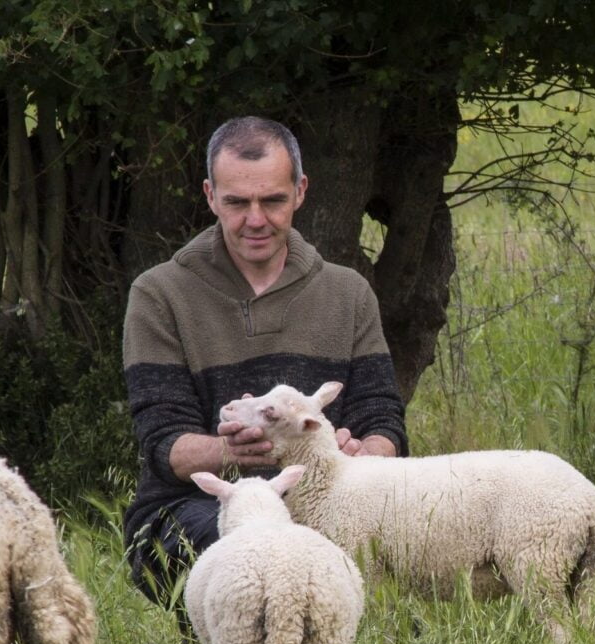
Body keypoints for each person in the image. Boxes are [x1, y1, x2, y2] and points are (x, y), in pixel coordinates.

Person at [121, 116, 408, 616]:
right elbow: (165, 444)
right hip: (194, 509)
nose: (256, 219)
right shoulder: (159, 294)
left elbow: (383, 419)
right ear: (211, 196)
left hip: (332, 501)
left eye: (272, 200)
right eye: (237, 202)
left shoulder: (348, 292)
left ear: (300, 191)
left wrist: (362, 457)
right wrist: (236, 451)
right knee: (266, 544)